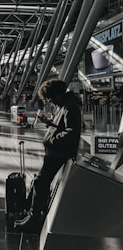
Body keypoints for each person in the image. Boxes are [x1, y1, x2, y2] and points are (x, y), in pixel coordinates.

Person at [14, 79, 82, 233]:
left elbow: (71, 131)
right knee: (41, 182)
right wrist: (50, 123)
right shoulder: (65, 105)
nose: (50, 101)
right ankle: (34, 212)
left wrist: (51, 139)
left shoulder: (70, 107)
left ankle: (33, 218)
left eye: (50, 98)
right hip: (56, 152)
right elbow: (63, 127)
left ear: (57, 94)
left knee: (40, 182)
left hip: (58, 153)